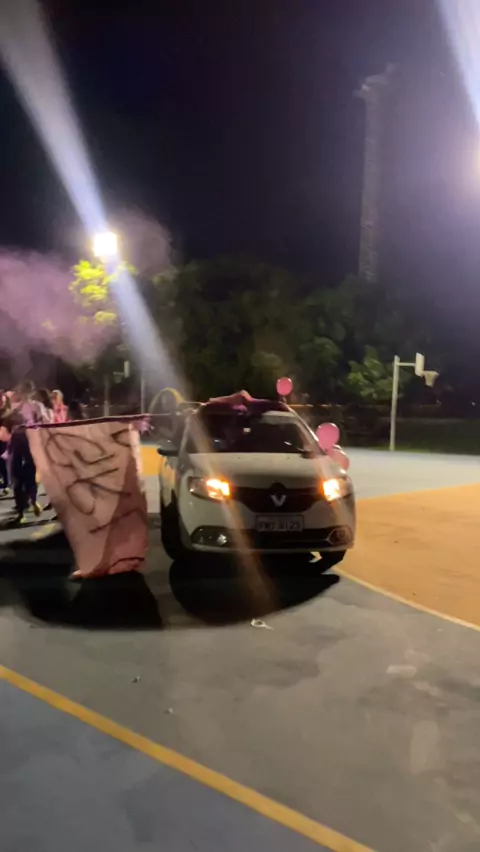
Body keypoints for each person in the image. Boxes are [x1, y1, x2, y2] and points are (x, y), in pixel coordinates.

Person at [8, 380, 46, 524]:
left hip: (31, 440)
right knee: (16, 475)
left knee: (30, 473)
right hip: (17, 440)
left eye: (24, 391)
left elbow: (44, 422)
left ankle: (33, 500)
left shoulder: (37, 406)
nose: (22, 393)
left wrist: (33, 425)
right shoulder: (15, 406)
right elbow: (8, 422)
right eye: (21, 390)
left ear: (30, 392)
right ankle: (21, 511)